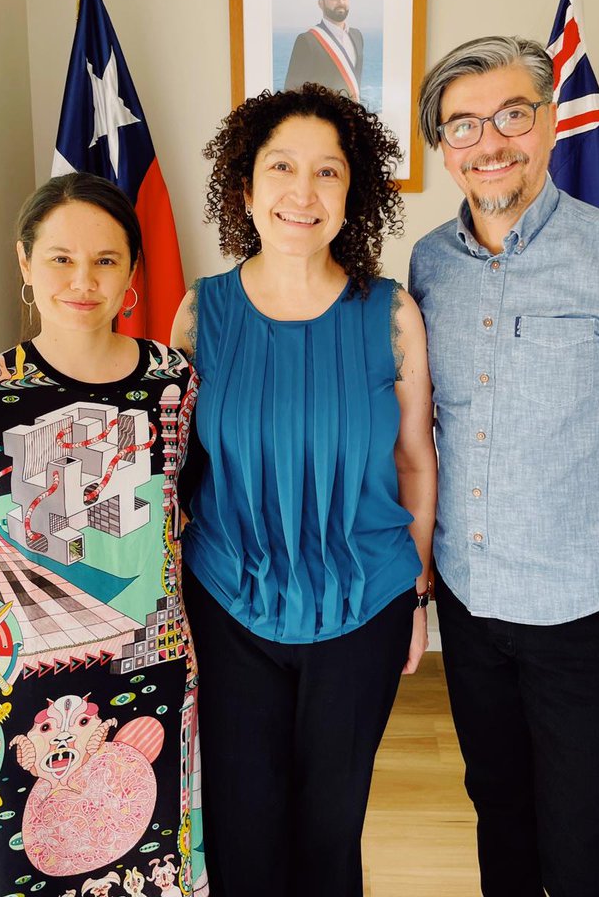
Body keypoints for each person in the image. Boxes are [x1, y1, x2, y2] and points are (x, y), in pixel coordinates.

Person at [409, 36, 599, 897]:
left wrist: (596, 527)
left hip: (583, 612)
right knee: (498, 808)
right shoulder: (429, 264)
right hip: (472, 607)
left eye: (512, 114)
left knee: (581, 835)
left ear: (548, 125)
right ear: (443, 146)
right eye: (463, 125)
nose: (490, 141)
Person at [0, 173, 208, 897]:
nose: (83, 280)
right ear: (25, 264)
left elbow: (186, 532)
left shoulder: (174, 383)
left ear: (133, 270)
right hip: (15, 712)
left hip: (153, 692)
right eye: (61, 259)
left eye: (106, 260)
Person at [170, 84, 436, 897]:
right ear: (244, 189)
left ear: (351, 194)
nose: (303, 191)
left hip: (364, 605)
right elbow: (171, 476)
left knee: (330, 836)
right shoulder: (198, 316)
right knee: (244, 835)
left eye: (328, 171)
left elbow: (416, 461)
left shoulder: (391, 313)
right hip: (228, 605)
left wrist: (416, 596)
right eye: (281, 167)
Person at [283, 0, 364, 99]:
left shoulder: (357, 36)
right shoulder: (307, 40)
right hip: (323, 116)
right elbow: (292, 92)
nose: (341, 2)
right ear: (321, 3)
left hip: (351, 115)